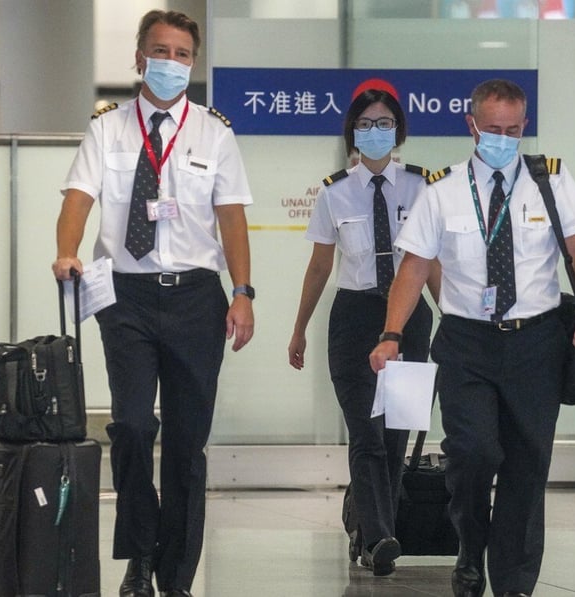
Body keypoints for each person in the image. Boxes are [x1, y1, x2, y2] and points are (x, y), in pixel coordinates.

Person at [369, 79, 575, 597]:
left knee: (527, 463)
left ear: (524, 126)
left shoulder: (552, 182)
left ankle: (515, 581)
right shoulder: (444, 190)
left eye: (513, 130)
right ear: (471, 125)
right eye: (493, 129)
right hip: (466, 343)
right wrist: (391, 334)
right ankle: (469, 547)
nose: (503, 138)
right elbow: (413, 270)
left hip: (536, 341)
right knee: (473, 454)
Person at [52, 10, 254, 597]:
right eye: (161, 51)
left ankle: (177, 574)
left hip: (196, 299)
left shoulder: (214, 134)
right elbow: (77, 198)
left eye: (183, 54)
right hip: (127, 297)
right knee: (135, 427)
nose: (172, 63)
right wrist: (66, 252)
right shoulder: (108, 130)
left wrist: (242, 292)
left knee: (188, 443)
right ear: (139, 58)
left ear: (194, 63)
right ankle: (138, 557)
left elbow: (233, 218)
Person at [287, 81, 439, 577]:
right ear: (353, 131)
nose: (375, 132)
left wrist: (455, 323)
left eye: (385, 124)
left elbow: (432, 265)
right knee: (366, 433)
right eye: (366, 123)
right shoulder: (334, 191)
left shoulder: (422, 186)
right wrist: (298, 329)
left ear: (399, 131)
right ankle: (379, 538)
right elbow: (318, 267)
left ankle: (369, 524)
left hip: (410, 318)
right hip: (353, 318)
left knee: (396, 433)